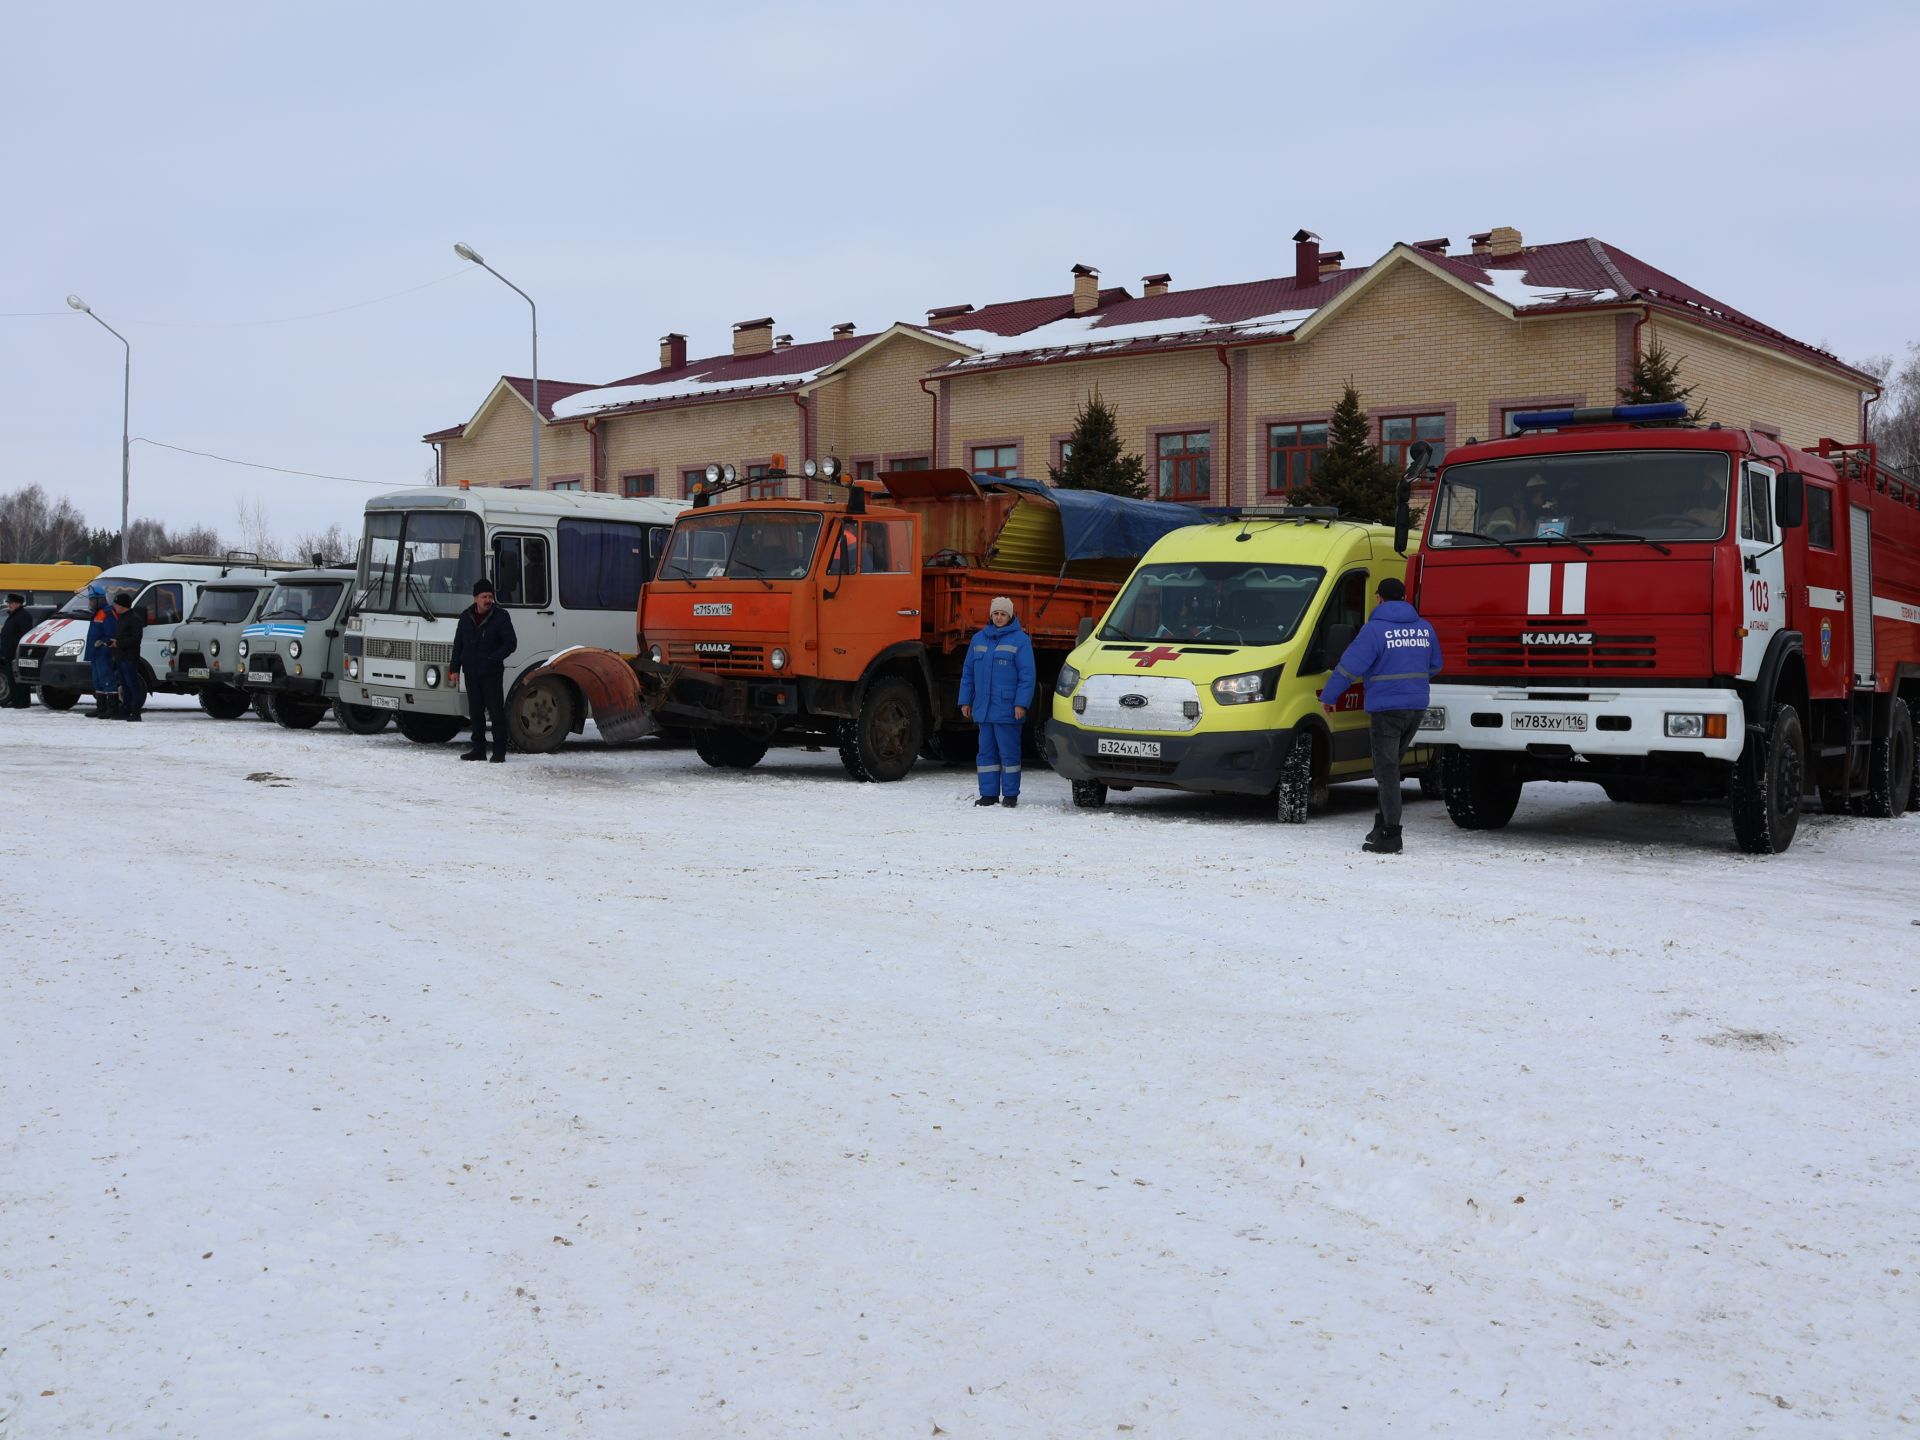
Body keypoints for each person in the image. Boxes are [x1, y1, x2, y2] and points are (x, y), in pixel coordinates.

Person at [1319, 577, 1442, 854]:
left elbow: (1349, 667)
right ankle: (1382, 822)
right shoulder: (1424, 628)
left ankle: (1390, 834)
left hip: (1387, 710)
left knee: (1386, 772)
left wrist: (1329, 696)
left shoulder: (1374, 630)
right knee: (1391, 769)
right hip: (1417, 706)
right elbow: (1435, 664)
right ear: (1403, 597)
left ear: (1379, 598)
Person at [959, 596, 1035, 808]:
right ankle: (989, 794)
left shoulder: (1020, 640)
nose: (999, 618)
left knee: (1009, 753)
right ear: (990, 615)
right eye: (996, 614)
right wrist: (965, 700)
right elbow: (968, 673)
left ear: (1010, 616)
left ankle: (1010, 795)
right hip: (984, 709)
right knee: (986, 753)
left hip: (1008, 709)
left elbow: (1027, 675)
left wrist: (1021, 704)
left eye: (1003, 614)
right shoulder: (979, 640)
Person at [449, 577, 517, 762]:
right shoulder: (465, 616)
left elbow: (511, 643)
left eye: (490, 596)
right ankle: (478, 749)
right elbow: (458, 645)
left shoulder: (501, 617)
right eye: (483, 596)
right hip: (471, 672)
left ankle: (499, 752)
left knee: (496, 713)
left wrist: (493, 658)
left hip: (491, 673)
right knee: (475, 713)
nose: (488, 600)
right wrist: (454, 668)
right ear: (475, 598)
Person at [84, 583, 121, 718]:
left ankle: (112, 708)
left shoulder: (107, 613)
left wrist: (104, 642)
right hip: (95, 653)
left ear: (100, 599)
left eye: (92, 600)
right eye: (90, 600)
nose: (90, 603)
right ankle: (101, 707)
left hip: (104, 653)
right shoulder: (97, 614)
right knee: (97, 680)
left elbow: (111, 633)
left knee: (107, 680)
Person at [111, 591, 147, 721]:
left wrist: (118, 643)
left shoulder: (134, 619)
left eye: (116, 604)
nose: (115, 606)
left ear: (123, 605)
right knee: (124, 685)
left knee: (132, 684)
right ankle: (125, 709)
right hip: (120, 656)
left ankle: (136, 712)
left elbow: (136, 638)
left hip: (129, 657)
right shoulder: (122, 618)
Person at [0, 593, 33, 709]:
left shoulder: (23, 616)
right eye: (9, 603)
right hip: (9, 653)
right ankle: (15, 700)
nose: (9, 605)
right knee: (11, 678)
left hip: (17, 653)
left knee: (19, 679)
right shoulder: (13, 615)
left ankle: (22, 702)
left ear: (18, 603)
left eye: (11, 603)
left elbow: (25, 635)